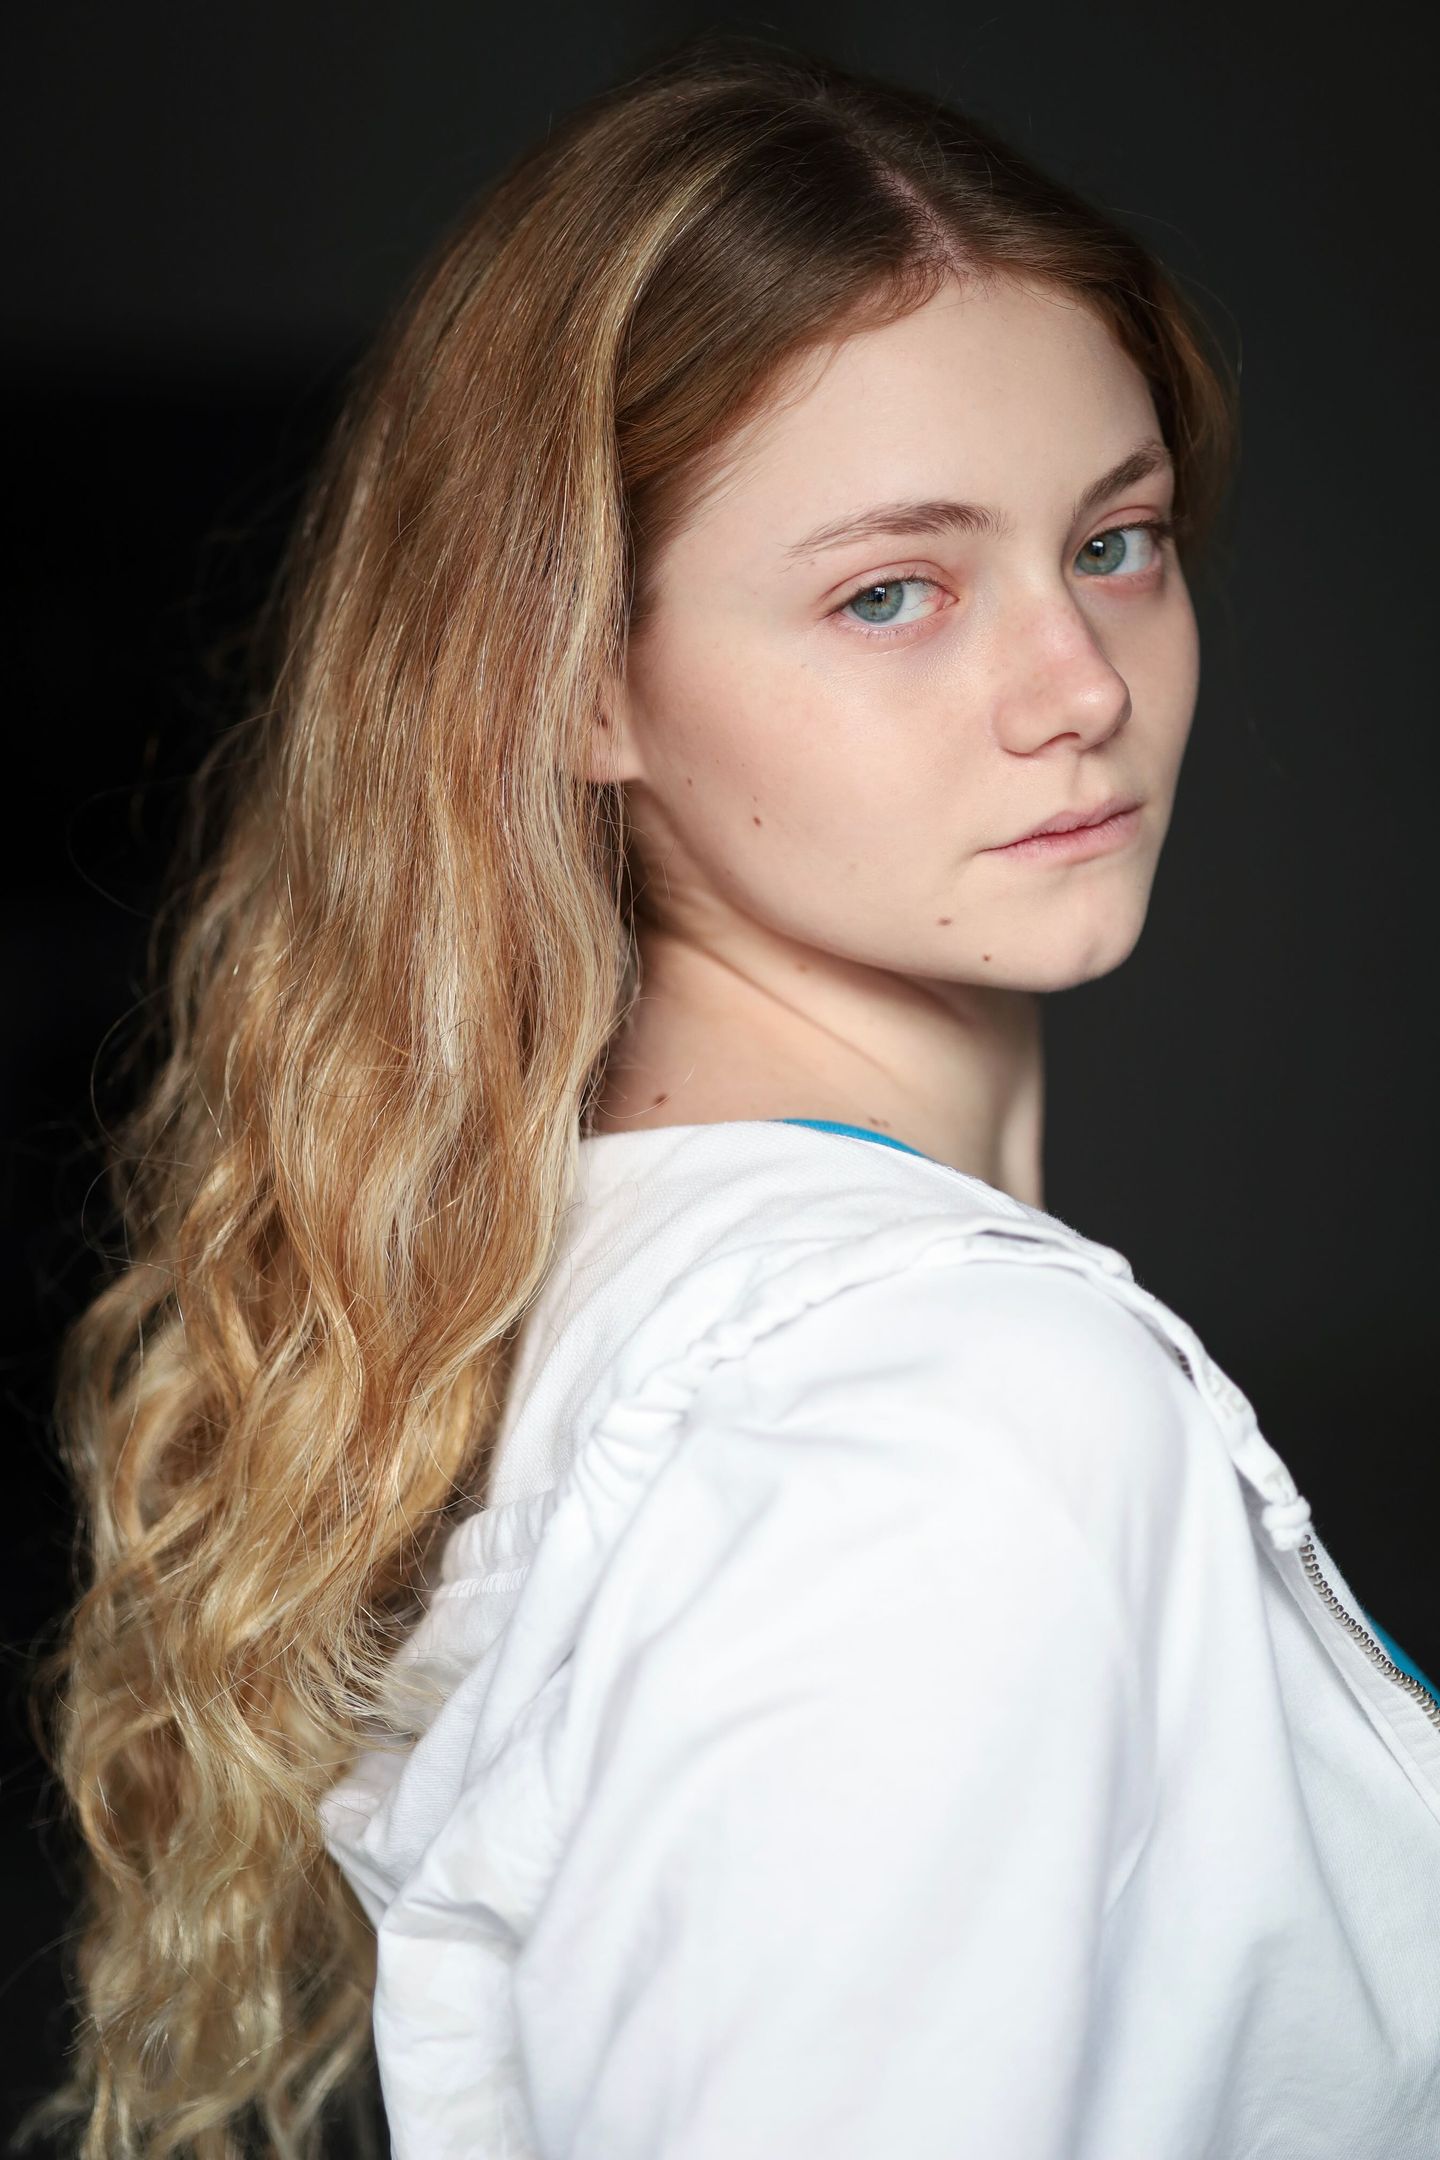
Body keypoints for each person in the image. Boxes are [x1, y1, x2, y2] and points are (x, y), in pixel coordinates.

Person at [22, 30, 1440, 2160]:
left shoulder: (640, 1301)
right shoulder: (940, 1420)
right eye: (891, 592)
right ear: (580, 680)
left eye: (1117, 540)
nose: (1079, 687)